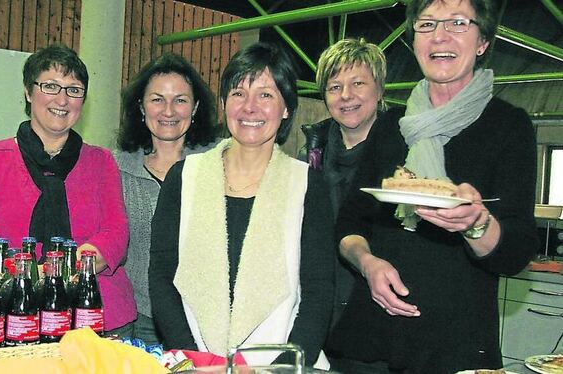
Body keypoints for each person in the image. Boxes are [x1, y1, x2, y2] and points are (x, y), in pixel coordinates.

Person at [328, 0, 537, 372]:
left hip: (454, 346)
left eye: (457, 22)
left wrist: (477, 224)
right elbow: (349, 223)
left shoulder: (508, 126)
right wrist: (368, 263)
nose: (439, 35)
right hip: (371, 340)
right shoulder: (392, 126)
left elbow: (516, 252)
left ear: (483, 41)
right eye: (426, 24)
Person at [149, 42, 335, 368]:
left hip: (280, 363)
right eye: (238, 94)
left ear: (287, 107)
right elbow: (163, 277)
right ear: (223, 104)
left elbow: (318, 293)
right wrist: (199, 361)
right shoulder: (185, 177)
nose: (250, 107)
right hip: (194, 361)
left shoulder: (306, 184)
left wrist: (277, 368)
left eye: (265, 95)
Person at [0, 43, 134, 334]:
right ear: (28, 91)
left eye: (73, 90)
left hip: (99, 315)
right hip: (12, 313)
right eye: (50, 86)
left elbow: (116, 234)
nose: (62, 99)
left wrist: (63, 269)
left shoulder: (101, 161)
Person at [298, 38, 404, 347]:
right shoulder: (312, 151)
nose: (346, 96)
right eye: (334, 87)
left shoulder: (407, 153)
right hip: (321, 307)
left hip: (381, 304)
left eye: (358, 83)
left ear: (379, 89)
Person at [114, 52, 221, 344]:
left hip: (203, 320)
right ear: (141, 106)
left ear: (196, 107)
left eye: (181, 100)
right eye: (157, 99)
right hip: (139, 320)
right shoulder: (116, 168)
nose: (168, 111)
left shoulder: (220, 163)